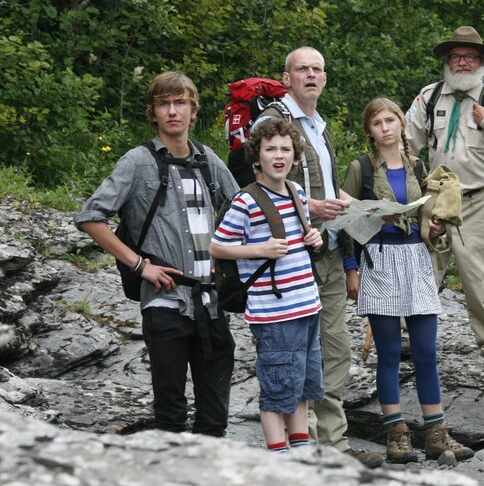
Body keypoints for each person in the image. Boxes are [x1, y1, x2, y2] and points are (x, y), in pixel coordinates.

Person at [74, 71, 239, 436]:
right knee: (170, 415)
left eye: (180, 103)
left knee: (215, 420)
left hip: (210, 302)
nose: (172, 111)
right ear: (153, 113)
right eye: (164, 104)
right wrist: (139, 265)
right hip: (164, 303)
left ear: (193, 110)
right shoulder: (137, 161)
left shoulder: (207, 160)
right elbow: (90, 217)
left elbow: (244, 208)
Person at [252, 47, 383, 467]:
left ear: (325, 79)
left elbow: (325, 191)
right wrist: (311, 207)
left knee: (335, 349)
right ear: (286, 78)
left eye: (317, 70)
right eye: (301, 69)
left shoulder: (319, 127)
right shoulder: (272, 121)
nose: (310, 75)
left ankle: (335, 447)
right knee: (296, 355)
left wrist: (356, 242)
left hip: (326, 253)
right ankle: (300, 447)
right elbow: (259, 185)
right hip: (290, 257)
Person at [340, 98, 475, 463]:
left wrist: (433, 223)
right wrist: (351, 267)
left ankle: (436, 434)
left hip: (416, 257)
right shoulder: (362, 168)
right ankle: (396, 435)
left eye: (390, 120)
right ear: (369, 130)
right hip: (380, 259)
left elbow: (428, 211)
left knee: (427, 353)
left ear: (401, 124)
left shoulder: (418, 168)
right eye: (377, 123)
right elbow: (344, 221)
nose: (385, 127)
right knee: (387, 354)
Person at [405, 26, 484, 374]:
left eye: (469, 57)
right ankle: (408, 338)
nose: (462, 62)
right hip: (437, 195)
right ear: (448, 62)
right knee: (423, 269)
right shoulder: (428, 97)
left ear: (481, 62)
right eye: (456, 57)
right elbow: (406, 143)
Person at [209, 119, 324, 452]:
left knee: (302, 383)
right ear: (256, 157)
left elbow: (300, 241)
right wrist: (260, 249)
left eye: (285, 149)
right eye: (270, 149)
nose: (279, 156)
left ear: (296, 157)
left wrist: (312, 238)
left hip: (307, 304)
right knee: (276, 388)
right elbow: (217, 247)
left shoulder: (297, 193)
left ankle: (301, 449)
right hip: (273, 312)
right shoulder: (245, 202)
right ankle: (277, 453)